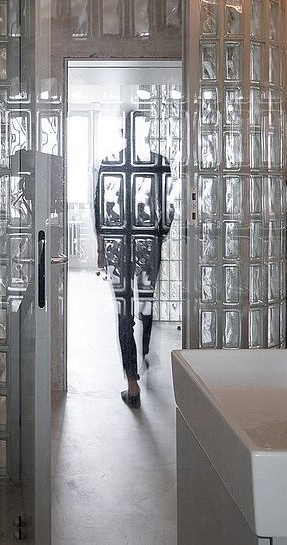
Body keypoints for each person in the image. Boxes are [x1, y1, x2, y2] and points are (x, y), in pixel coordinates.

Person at [93, 111, 174, 409]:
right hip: (148, 246)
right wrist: (158, 237)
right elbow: (169, 209)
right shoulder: (161, 163)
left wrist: (102, 249)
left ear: (124, 133)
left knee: (124, 312)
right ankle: (145, 350)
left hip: (118, 249)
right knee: (146, 303)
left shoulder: (109, 163)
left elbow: (99, 209)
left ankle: (132, 382)